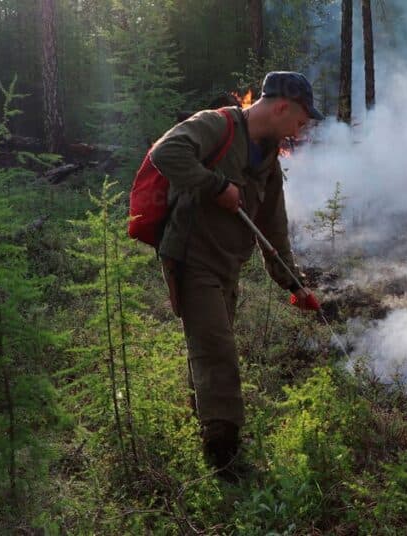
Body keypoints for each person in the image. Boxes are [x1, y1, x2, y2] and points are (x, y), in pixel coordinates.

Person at [148, 71, 324, 475]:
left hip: (228, 267)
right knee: (218, 353)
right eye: (299, 121)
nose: (300, 131)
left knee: (210, 349)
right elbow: (165, 153)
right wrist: (216, 186)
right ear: (282, 107)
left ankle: (207, 432)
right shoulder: (217, 125)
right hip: (193, 260)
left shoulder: (270, 158)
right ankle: (224, 461)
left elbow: (274, 230)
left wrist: (294, 285)